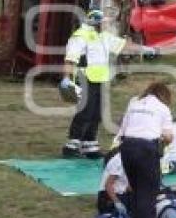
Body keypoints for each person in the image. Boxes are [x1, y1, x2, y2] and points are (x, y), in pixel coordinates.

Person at [60, 9, 155, 158]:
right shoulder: (80, 36)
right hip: (85, 78)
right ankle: (72, 144)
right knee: (85, 111)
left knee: (98, 112)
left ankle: (89, 144)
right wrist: (66, 78)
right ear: (95, 22)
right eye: (103, 22)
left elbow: (124, 46)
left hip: (101, 79)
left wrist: (147, 49)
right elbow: (70, 59)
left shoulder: (104, 36)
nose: (106, 25)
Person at [115, 81, 175, 218]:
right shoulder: (163, 108)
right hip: (146, 149)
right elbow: (168, 136)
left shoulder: (134, 102)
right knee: (147, 192)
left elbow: (123, 128)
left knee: (135, 190)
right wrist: (165, 141)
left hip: (127, 147)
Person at [97, 150, 131, 215]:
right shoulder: (119, 161)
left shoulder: (130, 160)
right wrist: (117, 202)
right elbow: (108, 185)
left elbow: (129, 187)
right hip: (108, 196)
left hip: (121, 194)